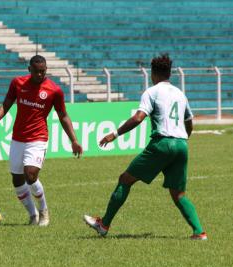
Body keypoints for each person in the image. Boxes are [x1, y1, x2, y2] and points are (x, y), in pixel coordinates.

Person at [83, 54, 207, 240]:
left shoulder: (152, 92)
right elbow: (189, 121)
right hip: (181, 144)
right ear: (169, 73)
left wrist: (114, 134)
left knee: (125, 180)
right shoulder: (180, 94)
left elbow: (138, 117)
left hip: (162, 143)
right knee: (178, 194)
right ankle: (199, 232)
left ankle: (104, 224)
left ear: (153, 73)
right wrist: (183, 140)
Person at [0, 55, 83, 226]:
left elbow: (63, 115)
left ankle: (44, 211)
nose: (40, 75)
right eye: (36, 72)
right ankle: (32, 215)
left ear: (46, 70)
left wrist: (74, 140)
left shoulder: (54, 90)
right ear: (29, 70)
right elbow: (6, 104)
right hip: (18, 138)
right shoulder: (18, 83)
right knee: (17, 179)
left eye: (43, 71)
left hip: (38, 138)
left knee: (30, 174)